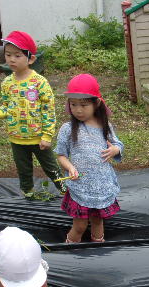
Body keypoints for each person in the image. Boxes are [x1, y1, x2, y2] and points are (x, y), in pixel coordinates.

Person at [0, 31, 63, 196]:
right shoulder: (7, 83)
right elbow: (7, 106)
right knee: (23, 170)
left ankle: (66, 190)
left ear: (30, 59)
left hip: (39, 137)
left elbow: (48, 110)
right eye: (8, 54)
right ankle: (28, 194)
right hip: (16, 138)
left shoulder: (40, 82)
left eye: (17, 55)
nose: (11, 59)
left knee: (51, 167)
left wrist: (47, 136)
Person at [54, 74, 124, 243]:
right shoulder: (68, 129)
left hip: (101, 186)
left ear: (96, 103)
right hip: (81, 188)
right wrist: (70, 167)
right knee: (79, 226)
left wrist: (115, 149)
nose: (78, 110)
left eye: (83, 105)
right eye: (73, 104)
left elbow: (118, 145)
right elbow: (61, 155)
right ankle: (70, 253)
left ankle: (97, 252)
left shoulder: (104, 126)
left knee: (98, 222)